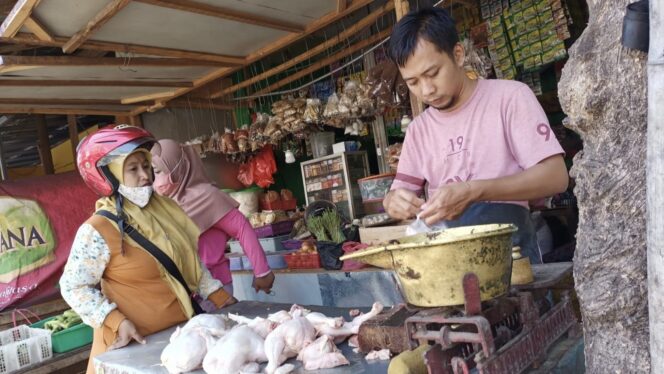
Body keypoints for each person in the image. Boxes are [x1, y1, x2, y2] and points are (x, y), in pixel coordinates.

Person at [383, 7, 569, 264]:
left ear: (458, 54)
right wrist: (393, 201)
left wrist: (474, 191)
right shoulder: (418, 130)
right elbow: (399, 193)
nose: (426, 90)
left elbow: (556, 177)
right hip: (447, 260)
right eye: (413, 82)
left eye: (433, 73)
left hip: (512, 254)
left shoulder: (510, 97)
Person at [60, 125, 235, 374]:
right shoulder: (97, 229)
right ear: (109, 176)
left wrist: (218, 295)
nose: (145, 176)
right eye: (133, 169)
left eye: (147, 166)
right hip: (132, 350)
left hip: (177, 340)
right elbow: (72, 286)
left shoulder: (165, 209)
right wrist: (115, 321)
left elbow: (186, 262)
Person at [151, 139, 275, 296]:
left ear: (177, 166)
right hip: (185, 291)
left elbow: (241, 227)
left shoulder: (206, 195)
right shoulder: (165, 204)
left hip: (216, 288)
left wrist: (262, 271)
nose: (154, 181)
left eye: (157, 171)